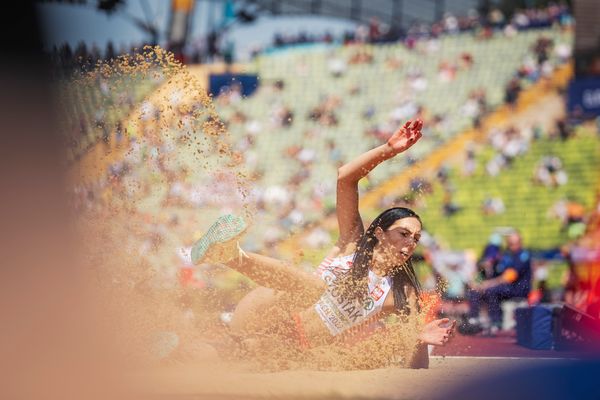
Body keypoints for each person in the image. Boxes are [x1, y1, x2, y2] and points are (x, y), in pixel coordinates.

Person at [191, 119, 455, 368]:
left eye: (416, 239)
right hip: (267, 310)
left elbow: (417, 365)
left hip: (288, 346)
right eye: (404, 233)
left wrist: (420, 338)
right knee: (314, 287)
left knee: (218, 355)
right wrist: (387, 150)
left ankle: (171, 352)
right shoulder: (352, 241)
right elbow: (345, 178)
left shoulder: (401, 293)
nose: (410, 243)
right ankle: (229, 255)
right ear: (379, 233)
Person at [462, 231, 532, 335]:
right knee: (474, 291)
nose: (511, 246)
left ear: (519, 242)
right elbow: (491, 273)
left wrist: (488, 284)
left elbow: (509, 277)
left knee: (491, 290)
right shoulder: (506, 256)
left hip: (517, 289)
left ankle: (495, 322)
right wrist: (479, 280)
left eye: (513, 243)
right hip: (502, 286)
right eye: (509, 243)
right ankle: (474, 320)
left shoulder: (523, 255)